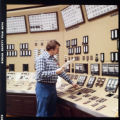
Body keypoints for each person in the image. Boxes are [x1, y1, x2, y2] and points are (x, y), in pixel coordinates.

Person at [35, 40, 78, 117]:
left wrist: (71, 82)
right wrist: (55, 72)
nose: (58, 51)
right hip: (43, 87)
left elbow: (61, 72)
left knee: (51, 111)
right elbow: (40, 74)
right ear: (51, 49)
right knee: (42, 113)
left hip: (52, 87)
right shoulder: (41, 58)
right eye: (57, 49)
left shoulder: (54, 59)